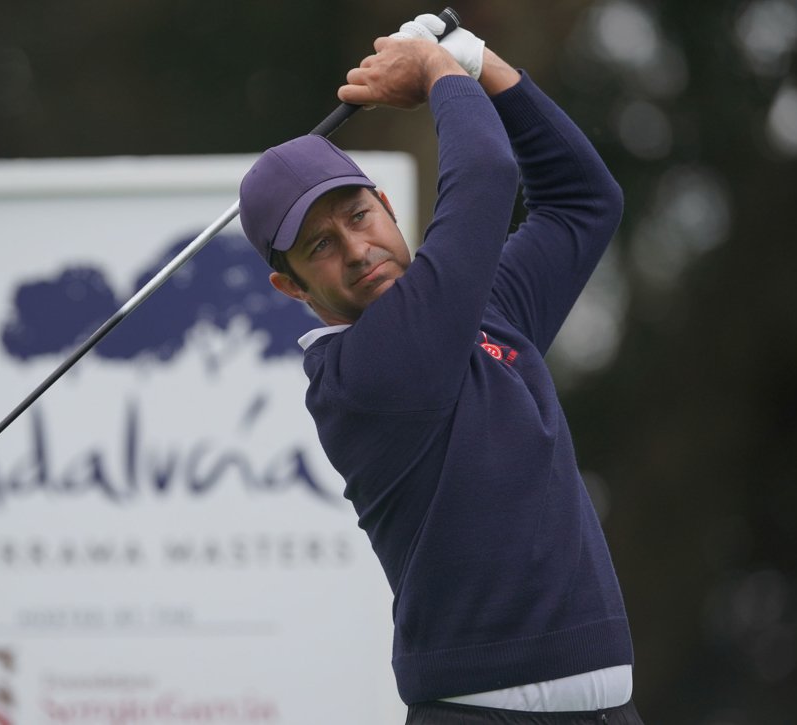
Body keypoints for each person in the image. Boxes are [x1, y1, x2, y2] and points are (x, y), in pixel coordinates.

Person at [237, 16, 643, 725]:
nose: (359, 250)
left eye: (359, 216)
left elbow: (583, 200)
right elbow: (487, 170)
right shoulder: (363, 375)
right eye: (321, 246)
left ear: (389, 207)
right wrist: (434, 69)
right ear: (293, 289)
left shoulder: (487, 311)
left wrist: (479, 61)